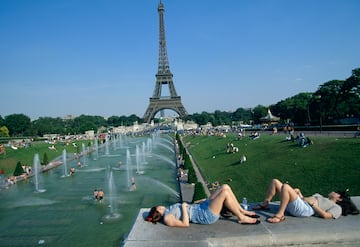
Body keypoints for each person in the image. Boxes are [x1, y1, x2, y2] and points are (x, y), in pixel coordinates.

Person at [146, 184, 260, 227]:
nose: (161, 206)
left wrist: (195, 203)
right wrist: (184, 208)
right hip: (204, 215)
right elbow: (185, 224)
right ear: (158, 213)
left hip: (201, 207)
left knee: (225, 187)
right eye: (159, 208)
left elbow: (187, 207)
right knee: (224, 194)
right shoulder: (167, 218)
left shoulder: (168, 210)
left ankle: (242, 211)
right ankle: (242, 218)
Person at [253, 178, 345, 223]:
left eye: (336, 193)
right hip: (302, 205)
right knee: (275, 182)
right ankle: (266, 203)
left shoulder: (337, 207)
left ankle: (280, 215)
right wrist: (299, 193)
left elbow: (326, 215)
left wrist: (314, 206)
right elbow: (304, 199)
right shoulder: (321, 197)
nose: (333, 192)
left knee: (285, 186)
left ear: (339, 198)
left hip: (306, 210)